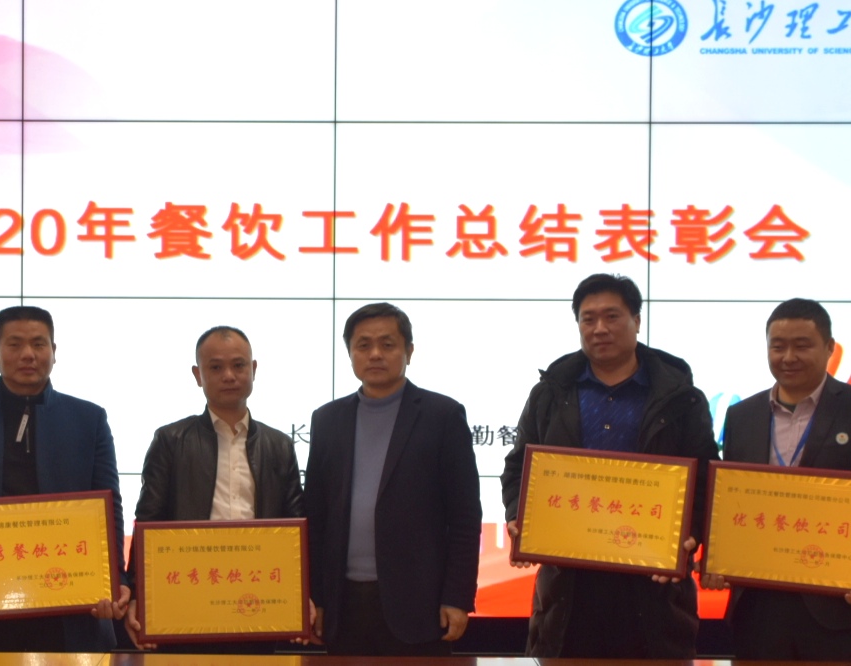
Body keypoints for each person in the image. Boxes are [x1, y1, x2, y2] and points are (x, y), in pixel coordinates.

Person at [500, 274, 719, 658]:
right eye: (588, 319)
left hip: (653, 586)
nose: (599, 328)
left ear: (637, 320)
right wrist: (522, 515)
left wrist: (691, 535)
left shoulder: (680, 397)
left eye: (612, 316)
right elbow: (519, 467)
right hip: (569, 586)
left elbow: (704, 478)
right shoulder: (551, 393)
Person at [703, 298, 851, 660]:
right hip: (758, 606)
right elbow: (729, 500)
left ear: (829, 348)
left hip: (839, 605)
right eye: (778, 346)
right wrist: (717, 558)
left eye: (802, 345)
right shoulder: (741, 416)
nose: (788, 357)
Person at [0, 305, 128, 652]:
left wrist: (116, 578)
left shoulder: (88, 418)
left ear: (54, 351)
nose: (28, 354)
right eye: (15, 344)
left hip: (71, 599)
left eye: (38, 344)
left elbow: (109, 507)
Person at [304, 302, 481, 656]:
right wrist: (316, 597)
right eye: (363, 345)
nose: (375, 354)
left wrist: (457, 596)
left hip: (419, 603)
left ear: (409, 352)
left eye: (387, 344)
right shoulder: (327, 420)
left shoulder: (443, 415)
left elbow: (464, 516)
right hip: (342, 603)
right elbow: (316, 517)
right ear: (350, 353)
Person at [125, 325, 304, 651]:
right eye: (216, 367)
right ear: (198, 375)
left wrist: (303, 594)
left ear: (253, 370)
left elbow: (295, 525)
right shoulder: (170, 440)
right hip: (188, 598)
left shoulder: (279, 445)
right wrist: (138, 594)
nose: (229, 376)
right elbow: (148, 520)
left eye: (238, 365)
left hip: (258, 598)